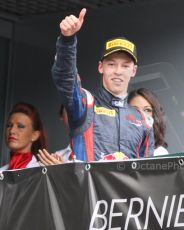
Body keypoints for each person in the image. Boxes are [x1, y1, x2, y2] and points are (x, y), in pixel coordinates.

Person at [49, 8, 154, 162]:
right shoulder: (85, 104)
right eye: (111, 64)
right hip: (87, 187)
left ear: (134, 70)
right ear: (100, 67)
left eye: (125, 66)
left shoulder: (143, 120)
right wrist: (67, 40)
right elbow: (65, 78)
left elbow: (147, 174)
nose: (118, 71)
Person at [0, 102, 47, 170]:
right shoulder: (2, 171)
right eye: (9, 126)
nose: (12, 131)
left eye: (20, 126)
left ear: (34, 135)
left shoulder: (43, 170)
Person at [128, 88, 169, 156]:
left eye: (147, 110)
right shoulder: (112, 147)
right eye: (135, 109)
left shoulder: (159, 153)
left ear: (154, 116)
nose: (141, 115)